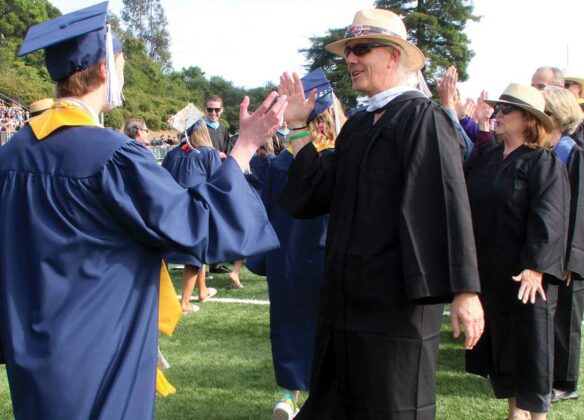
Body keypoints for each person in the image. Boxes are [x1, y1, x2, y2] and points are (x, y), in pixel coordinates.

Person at [0, 3, 286, 419]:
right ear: (103, 72)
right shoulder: (112, 156)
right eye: (120, 63)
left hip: (33, 351)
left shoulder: (11, 155)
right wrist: (243, 149)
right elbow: (194, 224)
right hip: (99, 352)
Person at [278, 9, 484, 419]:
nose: (351, 59)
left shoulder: (424, 119)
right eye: (348, 51)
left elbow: (449, 203)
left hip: (394, 311)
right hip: (343, 304)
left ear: (393, 56)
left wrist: (466, 290)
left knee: (391, 407)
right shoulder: (357, 126)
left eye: (361, 49)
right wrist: (299, 128)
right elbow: (316, 192)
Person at [464, 83, 569, 420]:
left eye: (506, 110)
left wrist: (536, 266)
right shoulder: (488, 158)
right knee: (503, 347)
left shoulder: (542, 162)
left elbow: (550, 217)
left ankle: (536, 416)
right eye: (498, 108)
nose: (498, 114)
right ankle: (515, 413)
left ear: (528, 120)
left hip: (526, 275)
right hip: (492, 272)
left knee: (531, 346)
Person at [261, 68, 346, 420]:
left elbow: (265, 213)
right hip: (329, 257)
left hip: (287, 259)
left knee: (289, 324)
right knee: (331, 329)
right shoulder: (339, 161)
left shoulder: (281, 162)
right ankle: (329, 398)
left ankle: (288, 395)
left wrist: (262, 261)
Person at [542, 86, 584, 403]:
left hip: (571, 254)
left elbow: (579, 209)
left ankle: (565, 383)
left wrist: (572, 258)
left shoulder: (573, 151)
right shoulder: (548, 149)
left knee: (566, 318)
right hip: (552, 250)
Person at [162, 106, 222, 312]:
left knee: (174, 253)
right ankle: (185, 303)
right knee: (194, 255)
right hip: (196, 208)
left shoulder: (172, 154)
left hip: (172, 208)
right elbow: (217, 181)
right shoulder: (208, 153)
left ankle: (202, 290)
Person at [205, 94, 231, 159]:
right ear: (205, 109)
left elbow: (227, 152)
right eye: (210, 109)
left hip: (220, 167)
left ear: (222, 110)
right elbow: (191, 150)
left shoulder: (223, 130)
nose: (213, 113)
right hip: (204, 167)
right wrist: (215, 155)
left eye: (217, 110)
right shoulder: (199, 128)